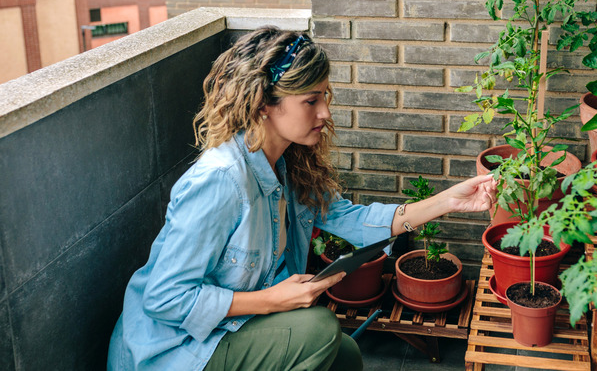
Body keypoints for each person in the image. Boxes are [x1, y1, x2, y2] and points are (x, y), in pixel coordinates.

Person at [107, 26, 498, 371]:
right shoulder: (221, 181)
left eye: (325, 97)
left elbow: (352, 221)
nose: (326, 112)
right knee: (319, 329)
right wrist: (270, 301)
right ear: (264, 104)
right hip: (177, 350)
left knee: (345, 356)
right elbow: (165, 298)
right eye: (311, 101)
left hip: (229, 328)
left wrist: (450, 201)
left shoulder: (288, 164)